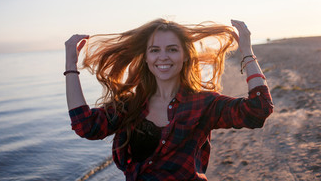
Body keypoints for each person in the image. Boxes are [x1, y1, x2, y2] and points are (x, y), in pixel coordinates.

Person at [64, 19, 273, 181]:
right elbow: (86, 126)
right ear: (146, 58)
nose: (163, 56)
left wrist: (247, 52)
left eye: (172, 49)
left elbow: (259, 109)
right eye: (155, 50)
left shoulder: (203, 104)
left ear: (185, 56)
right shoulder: (129, 106)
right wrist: (71, 66)